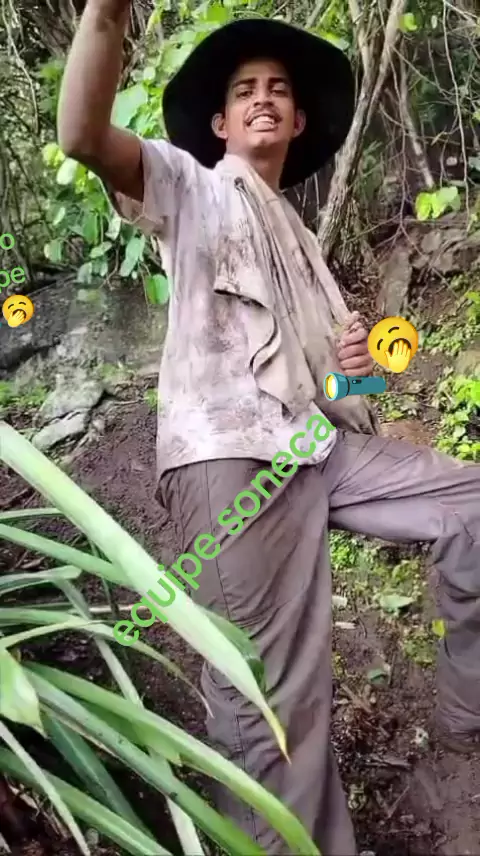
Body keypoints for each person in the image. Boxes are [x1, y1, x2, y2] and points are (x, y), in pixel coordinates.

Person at [58, 3, 480, 854]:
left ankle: (466, 724)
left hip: (313, 450)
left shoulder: (304, 244)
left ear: (298, 120)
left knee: (471, 503)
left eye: (278, 89)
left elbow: (333, 391)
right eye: (245, 89)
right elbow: (82, 136)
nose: (262, 97)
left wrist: (357, 365)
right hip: (229, 457)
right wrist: (106, 14)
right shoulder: (191, 188)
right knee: (273, 702)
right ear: (220, 123)